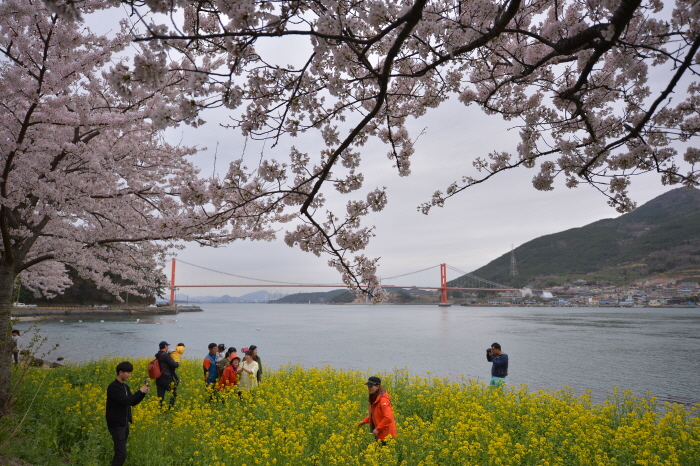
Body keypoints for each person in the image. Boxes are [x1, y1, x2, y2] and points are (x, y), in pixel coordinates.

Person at [106, 361, 149, 466]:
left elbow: (132, 402)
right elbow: (125, 401)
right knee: (121, 454)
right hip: (116, 424)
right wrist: (140, 391)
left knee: (120, 452)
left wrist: (143, 393)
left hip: (124, 424)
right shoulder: (113, 387)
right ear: (121, 372)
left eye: (130, 373)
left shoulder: (125, 387)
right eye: (128, 373)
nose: (129, 375)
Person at [357, 376, 397, 443]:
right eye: (368, 387)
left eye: (371, 387)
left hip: (386, 435)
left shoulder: (383, 400)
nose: (369, 388)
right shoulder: (375, 398)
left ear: (378, 386)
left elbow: (388, 418)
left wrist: (377, 429)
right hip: (380, 434)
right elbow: (376, 415)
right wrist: (364, 421)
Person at [155, 341, 179, 408]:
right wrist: (177, 361)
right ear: (165, 346)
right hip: (167, 379)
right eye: (167, 346)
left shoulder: (157, 355)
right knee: (173, 395)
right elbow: (174, 365)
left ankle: (160, 411)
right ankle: (170, 409)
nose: (168, 347)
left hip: (159, 379)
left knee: (160, 397)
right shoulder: (165, 355)